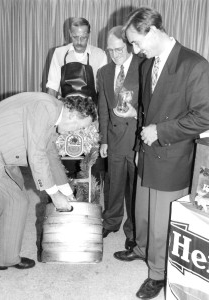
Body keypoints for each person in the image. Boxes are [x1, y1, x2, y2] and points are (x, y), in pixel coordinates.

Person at [113, 7, 209, 299]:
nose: (134, 49)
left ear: (152, 31)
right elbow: (147, 110)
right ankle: (141, 249)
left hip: (173, 153)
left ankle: (157, 273)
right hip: (148, 149)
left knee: (160, 221)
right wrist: (140, 134)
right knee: (142, 212)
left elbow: (204, 115)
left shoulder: (194, 64)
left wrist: (160, 133)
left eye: (136, 42)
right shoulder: (146, 64)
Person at [0, 92, 97, 270]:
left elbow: (51, 155)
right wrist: (54, 195)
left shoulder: (54, 115)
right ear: (71, 114)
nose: (77, 132)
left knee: (16, 200)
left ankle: (8, 258)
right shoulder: (45, 108)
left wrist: (68, 193)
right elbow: (37, 155)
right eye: (79, 126)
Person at [98, 26, 144, 251]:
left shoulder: (143, 67)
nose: (114, 55)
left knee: (135, 189)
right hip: (114, 138)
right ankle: (111, 221)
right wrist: (104, 139)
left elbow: (149, 106)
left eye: (118, 50)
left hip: (136, 137)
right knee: (113, 184)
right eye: (110, 51)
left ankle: (133, 231)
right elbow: (104, 109)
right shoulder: (104, 72)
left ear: (129, 45)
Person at [46, 17, 107, 179]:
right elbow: (51, 88)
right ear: (69, 34)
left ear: (89, 34)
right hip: (66, 118)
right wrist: (51, 119)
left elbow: (103, 92)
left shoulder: (99, 55)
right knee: (65, 164)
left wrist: (100, 121)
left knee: (89, 166)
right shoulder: (59, 54)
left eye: (84, 37)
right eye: (75, 37)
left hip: (90, 119)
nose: (79, 42)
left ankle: (89, 201)